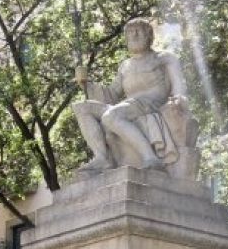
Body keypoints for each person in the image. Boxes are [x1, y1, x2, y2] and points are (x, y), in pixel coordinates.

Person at [72, 18, 188, 171]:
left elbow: (179, 85)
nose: (133, 36)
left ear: (149, 36)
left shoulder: (164, 58)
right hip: (129, 106)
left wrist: (180, 98)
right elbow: (111, 94)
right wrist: (87, 84)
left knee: (110, 116)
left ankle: (150, 157)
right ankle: (102, 158)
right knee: (81, 108)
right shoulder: (125, 66)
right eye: (130, 33)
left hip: (151, 103)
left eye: (138, 31)